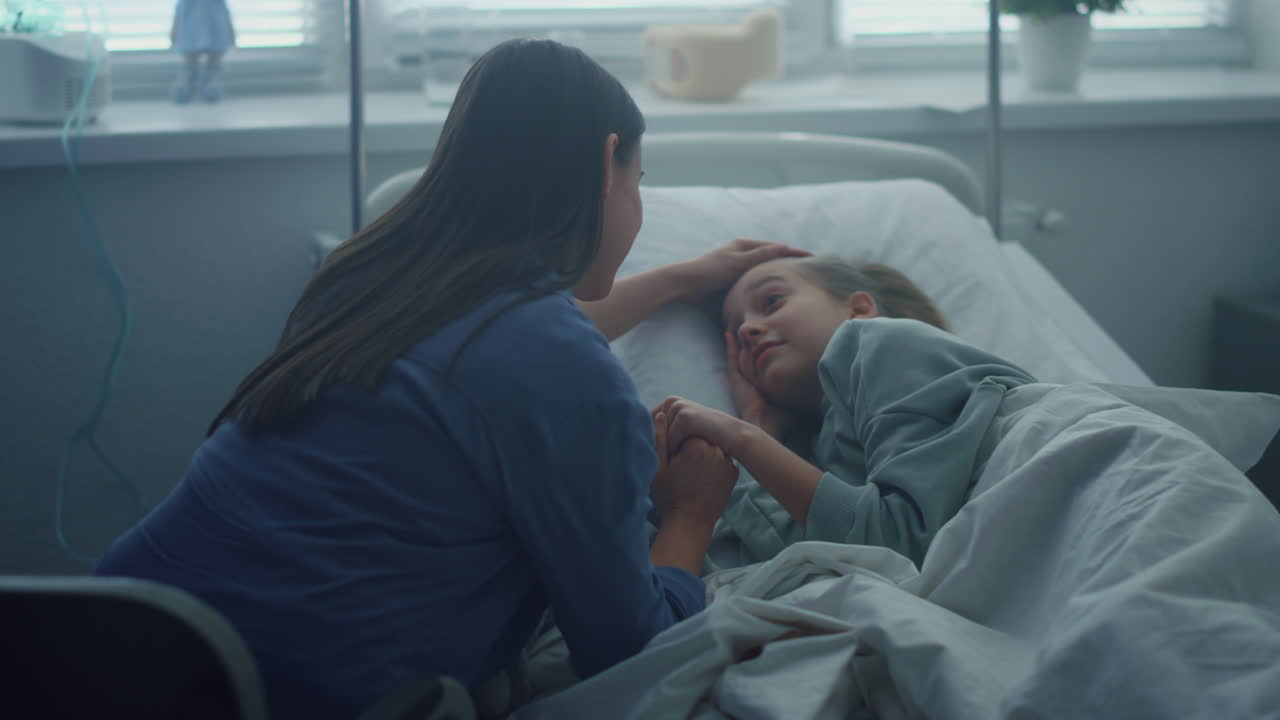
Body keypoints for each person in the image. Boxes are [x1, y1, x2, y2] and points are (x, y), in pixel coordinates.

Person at [94, 39, 804, 719]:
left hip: (97, 645)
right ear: (607, 163)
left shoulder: (369, 277)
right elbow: (629, 647)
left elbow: (507, 343)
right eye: (639, 185)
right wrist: (690, 514)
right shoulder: (562, 373)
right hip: (264, 698)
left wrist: (683, 278)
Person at [658, 255, 1039, 568]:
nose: (748, 330)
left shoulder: (884, 342)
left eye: (771, 301)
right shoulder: (822, 448)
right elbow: (804, 563)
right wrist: (761, 429)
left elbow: (897, 545)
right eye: (734, 330)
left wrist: (743, 438)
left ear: (859, 309)